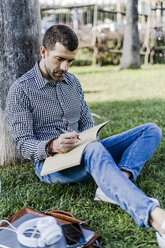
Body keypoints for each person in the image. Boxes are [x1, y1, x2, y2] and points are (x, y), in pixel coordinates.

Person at [6, 24, 165, 246]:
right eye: (59, 59)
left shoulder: (73, 83)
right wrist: (52, 146)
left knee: (150, 130)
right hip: (49, 163)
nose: (65, 67)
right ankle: (156, 218)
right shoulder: (21, 90)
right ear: (43, 52)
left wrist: (90, 137)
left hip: (85, 151)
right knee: (93, 149)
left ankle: (117, 183)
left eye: (70, 61)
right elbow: (23, 144)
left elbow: (86, 123)